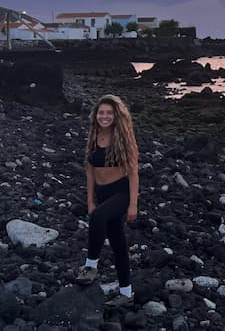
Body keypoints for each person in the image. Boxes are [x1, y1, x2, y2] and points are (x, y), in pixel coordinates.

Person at [75, 94, 139, 306]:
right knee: (119, 243)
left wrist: (132, 205)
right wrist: (90, 200)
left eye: (109, 113)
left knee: (98, 218)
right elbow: (90, 172)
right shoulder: (94, 137)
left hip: (120, 193)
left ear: (116, 116)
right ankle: (126, 293)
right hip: (102, 193)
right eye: (101, 112)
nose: (105, 116)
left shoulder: (124, 138)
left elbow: (133, 174)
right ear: (96, 115)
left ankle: (90, 265)